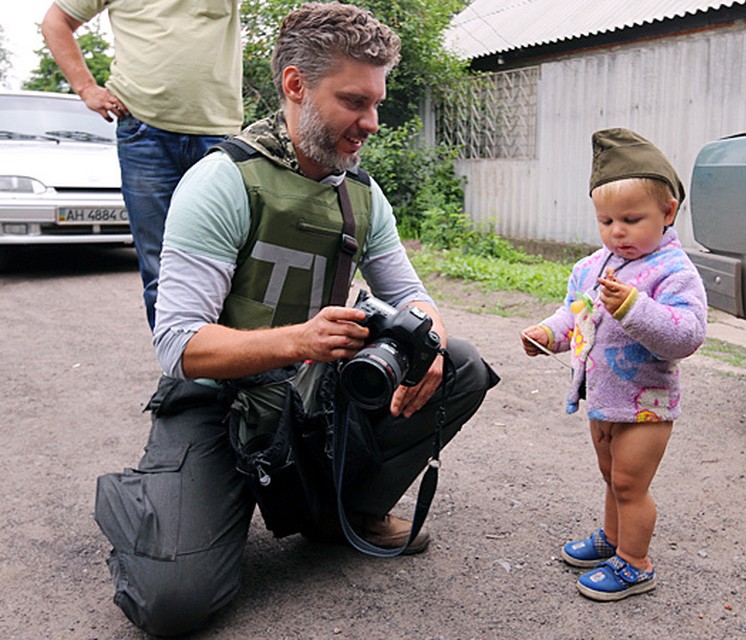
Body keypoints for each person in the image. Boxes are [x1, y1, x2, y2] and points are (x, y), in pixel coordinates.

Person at [92, 3, 498, 635]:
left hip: (312, 397)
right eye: (354, 102)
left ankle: (341, 516)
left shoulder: (361, 192)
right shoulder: (221, 181)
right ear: (295, 85)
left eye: (377, 103)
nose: (371, 123)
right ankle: (156, 504)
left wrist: (432, 342)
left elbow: (413, 294)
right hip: (218, 402)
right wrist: (300, 340)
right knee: (172, 604)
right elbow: (178, 345)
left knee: (463, 365)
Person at [520, 128, 707, 601]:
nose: (616, 231)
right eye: (606, 220)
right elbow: (575, 314)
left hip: (647, 405)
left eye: (630, 218)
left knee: (630, 483)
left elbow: (686, 335)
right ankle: (612, 538)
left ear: (668, 212)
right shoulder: (591, 267)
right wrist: (548, 333)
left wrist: (634, 309)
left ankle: (635, 563)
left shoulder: (674, 272)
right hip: (603, 400)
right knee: (611, 478)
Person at [41, 0, 243, 329]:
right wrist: (86, 88)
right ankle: (183, 371)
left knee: (233, 260)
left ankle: (233, 363)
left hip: (218, 133)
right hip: (144, 131)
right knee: (161, 266)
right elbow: (55, 22)